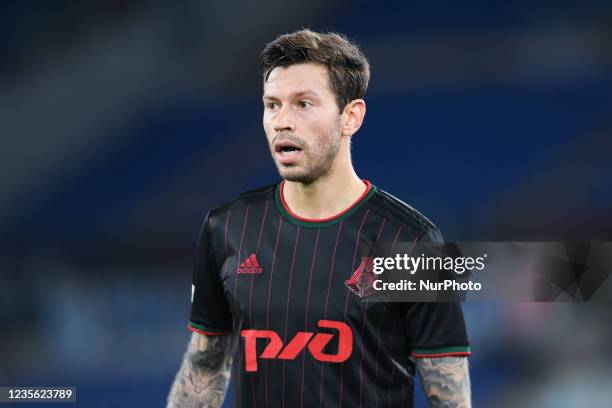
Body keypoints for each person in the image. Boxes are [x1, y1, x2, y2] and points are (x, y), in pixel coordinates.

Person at [167, 28, 471, 408]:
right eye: (272, 104)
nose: (282, 121)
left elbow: (449, 396)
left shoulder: (413, 242)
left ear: (351, 117)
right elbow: (205, 369)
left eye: (303, 104)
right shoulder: (226, 228)